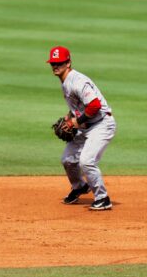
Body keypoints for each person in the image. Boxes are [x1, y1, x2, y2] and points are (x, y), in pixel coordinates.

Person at [47, 46, 116, 210]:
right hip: (86, 126)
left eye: (60, 63)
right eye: (53, 63)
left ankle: (103, 198)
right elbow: (78, 108)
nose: (56, 66)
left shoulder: (77, 81)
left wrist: (74, 123)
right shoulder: (65, 82)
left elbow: (94, 105)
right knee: (68, 160)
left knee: (86, 161)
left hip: (101, 124)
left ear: (68, 63)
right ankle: (79, 187)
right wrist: (68, 117)